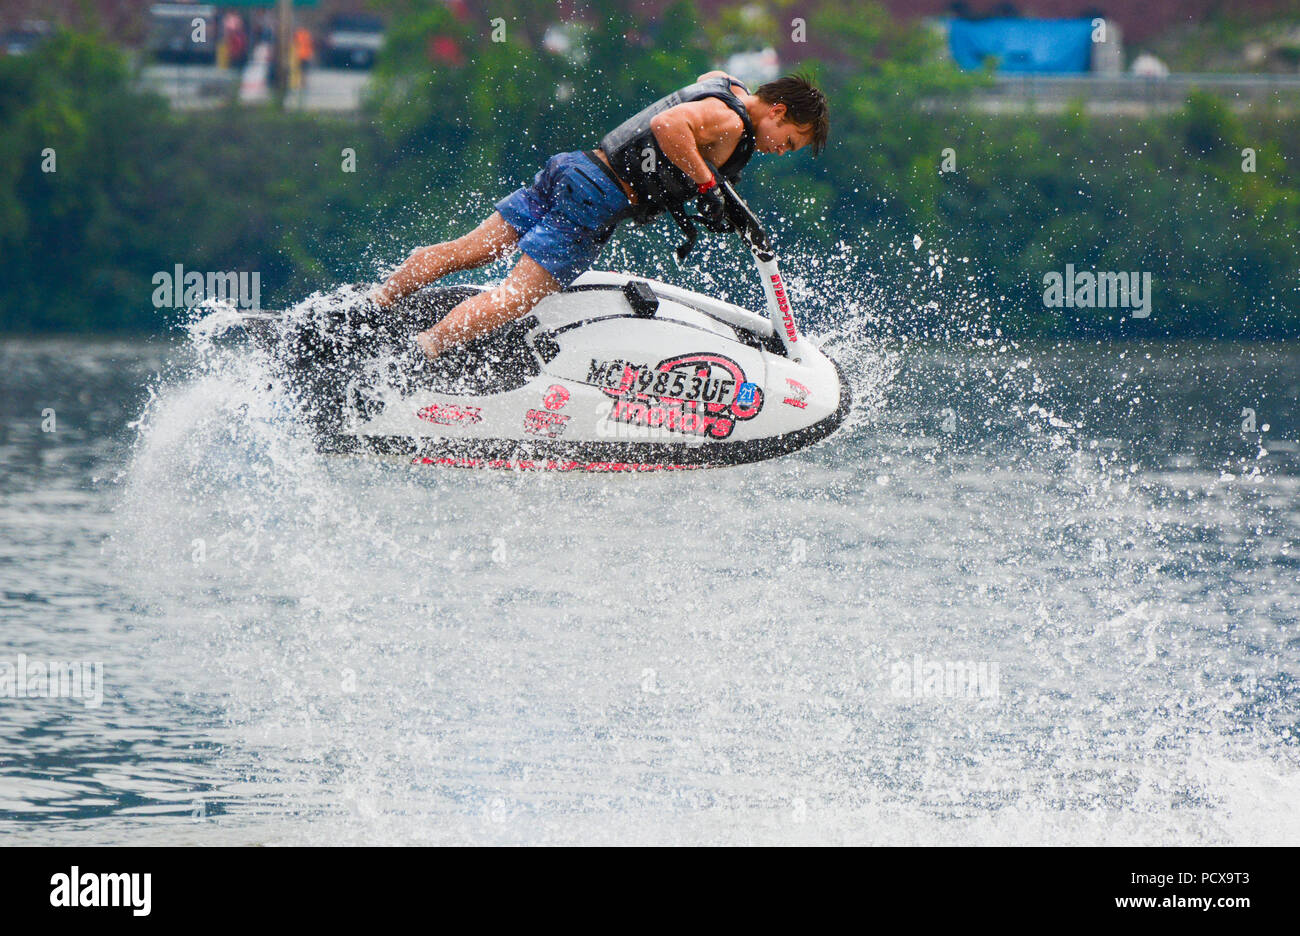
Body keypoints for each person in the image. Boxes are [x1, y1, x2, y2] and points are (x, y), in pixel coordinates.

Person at [370, 72, 829, 361]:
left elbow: (682, 133)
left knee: (469, 251)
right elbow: (668, 127)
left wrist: (711, 185)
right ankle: (417, 354)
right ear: (778, 110)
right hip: (595, 197)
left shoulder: (726, 83)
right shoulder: (730, 122)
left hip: (574, 168)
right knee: (517, 296)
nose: (779, 150)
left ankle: (377, 302)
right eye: (787, 140)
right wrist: (707, 185)